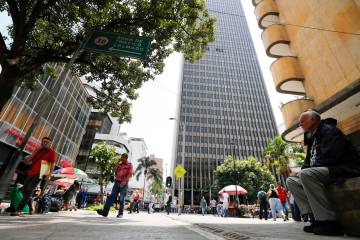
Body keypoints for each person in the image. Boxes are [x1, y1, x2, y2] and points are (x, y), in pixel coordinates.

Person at [286, 109, 360, 235]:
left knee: (306, 174)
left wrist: (305, 171)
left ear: (313, 120)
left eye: (302, 121)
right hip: (322, 169)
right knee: (291, 181)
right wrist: (301, 171)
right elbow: (309, 160)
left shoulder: (329, 131)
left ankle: (328, 221)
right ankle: (314, 219)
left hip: (341, 169)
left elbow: (330, 156)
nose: (300, 124)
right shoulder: (311, 136)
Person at [11, 137, 56, 216]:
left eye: (47, 142)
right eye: (44, 142)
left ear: (50, 144)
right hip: (30, 172)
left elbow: (52, 164)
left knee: (28, 190)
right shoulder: (38, 150)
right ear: (41, 142)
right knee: (25, 190)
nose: (45, 143)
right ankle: (31, 206)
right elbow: (28, 160)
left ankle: (19, 209)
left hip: (41, 172)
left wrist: (49, 174)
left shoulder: (51, 152)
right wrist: (35, 151)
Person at [97, 153, 132, 218]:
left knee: (122, 199)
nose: (121, 158)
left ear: (126, 158)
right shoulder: (119, 164)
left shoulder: (129, 165)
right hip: (117, 182)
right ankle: (105, 212)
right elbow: (114, 170)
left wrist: (124, 181)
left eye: (122, 157)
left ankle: (120, 214)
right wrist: (117, 163)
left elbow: (130, 174)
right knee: (111, 197)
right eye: (121, 157)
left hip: (124, 183)